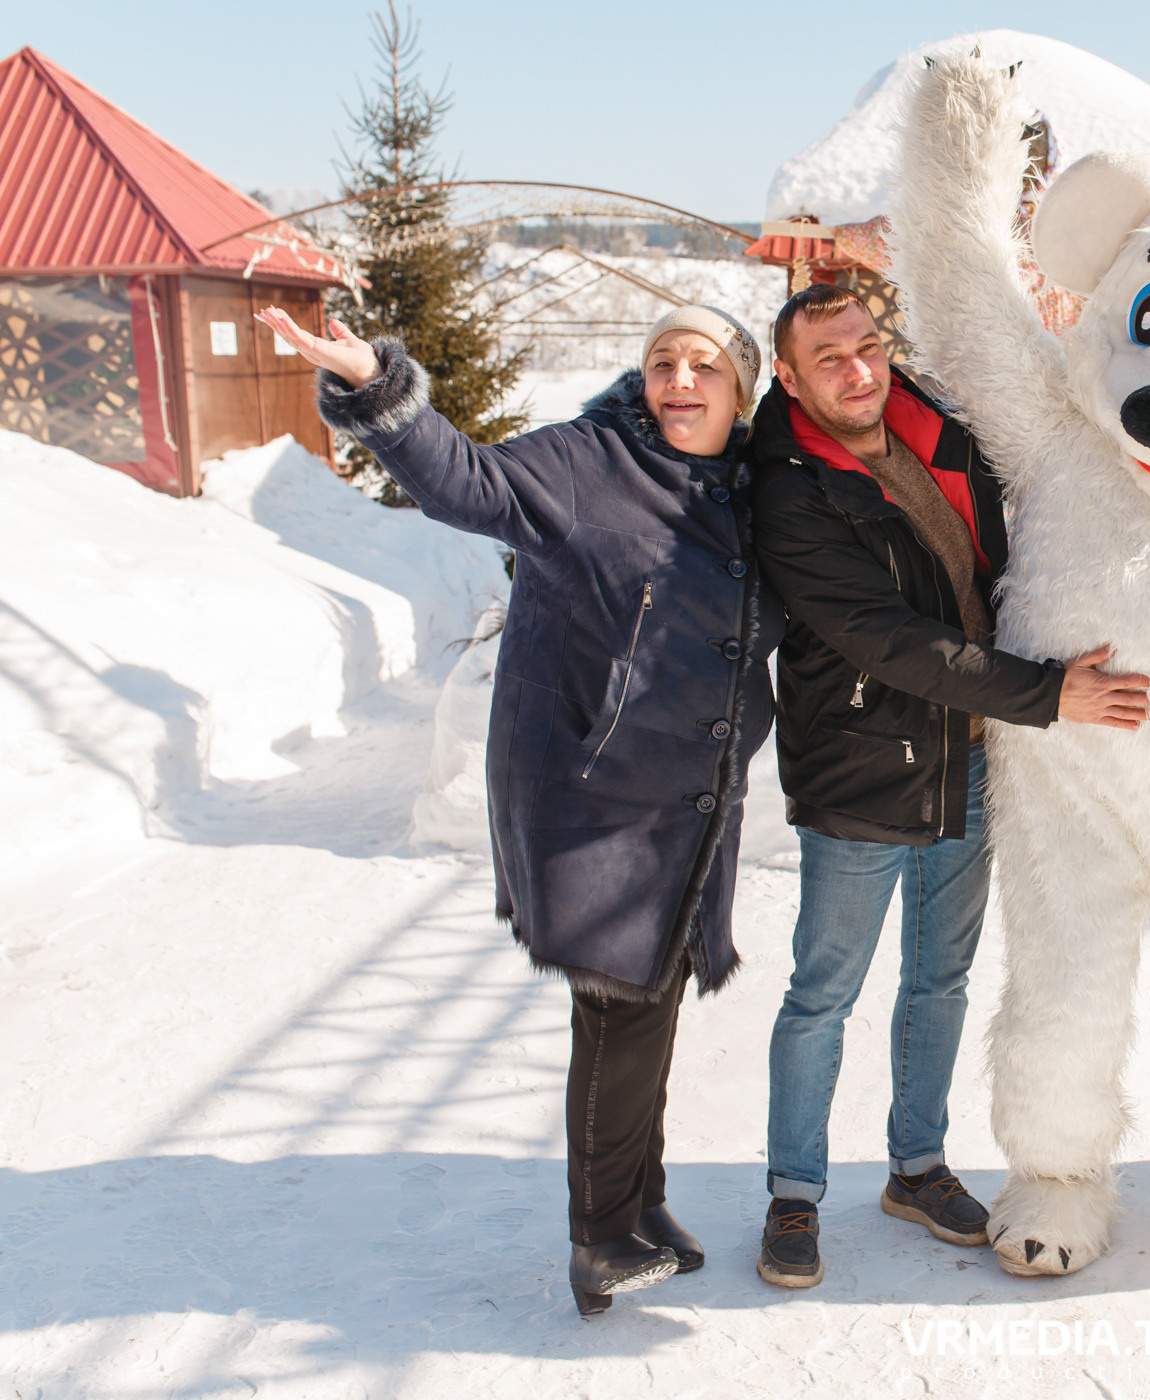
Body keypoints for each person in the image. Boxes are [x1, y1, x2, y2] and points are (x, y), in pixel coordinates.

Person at [260, 302, 782, 1316]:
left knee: (656, 1002)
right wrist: (375, 385)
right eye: (663, 361)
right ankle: (601, 1235)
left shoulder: (752, 486)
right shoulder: (588, 462)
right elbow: (467, 480)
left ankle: (646, 1203)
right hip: (597, 792)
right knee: (617, 1008)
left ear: (741, 388)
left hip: (692, 798)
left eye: (704, 366)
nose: (680, 380)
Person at [745, 284, 1150, 1288]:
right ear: (790, 378)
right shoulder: (791, 488)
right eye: (828, 358)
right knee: (823, 993)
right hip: (861, 771)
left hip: (966, 758)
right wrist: (1052, 694)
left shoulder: (931, 426)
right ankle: (795, 1192)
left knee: (940, 979)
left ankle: (916, 1166)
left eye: (865, 346)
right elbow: (891, 639)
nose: (857, 369)